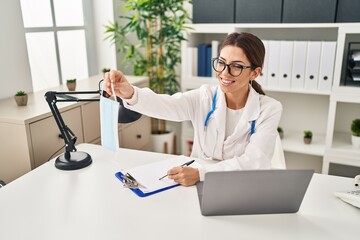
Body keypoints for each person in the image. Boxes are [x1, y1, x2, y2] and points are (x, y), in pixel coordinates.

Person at [104, 32, 282, 187]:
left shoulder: (269, 109)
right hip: (198, 186)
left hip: (241, 186)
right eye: (221, 62)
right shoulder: (204, 97)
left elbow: (254, 162)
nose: (224, 72)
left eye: (236, 66)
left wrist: (201, 174)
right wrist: (129, 93)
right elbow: (166, 105)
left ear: (255, 73)